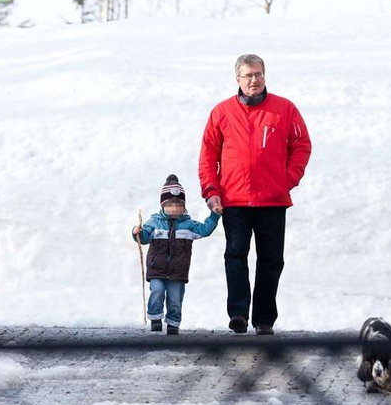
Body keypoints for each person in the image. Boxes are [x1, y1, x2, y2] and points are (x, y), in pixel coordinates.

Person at [198, 54, 311, 335]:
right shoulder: (221, 112)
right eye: (248, 75)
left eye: (258, 74)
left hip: (272, 200)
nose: (254, 80)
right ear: (237, 79)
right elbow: (208, 154)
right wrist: (211, 190)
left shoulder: (285, 109)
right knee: (235, 255)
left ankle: (264, 319)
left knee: (271, 260)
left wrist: (288, 179)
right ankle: (238, 313)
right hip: (234, 200)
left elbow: (302, 145)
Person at [132, 174, 220, 335]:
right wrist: (137, 232)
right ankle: (155, 318)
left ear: (183, 206)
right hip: (157, 269)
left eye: (178, 205)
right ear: (163, 205)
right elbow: (144, 238)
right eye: (170, 205)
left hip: (178, 271)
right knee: (157, 291)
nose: (174, 209)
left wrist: (214, 215)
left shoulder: (188, 225)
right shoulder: (153, 223)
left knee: (175, 299)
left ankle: (173, 323)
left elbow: (205, 230)